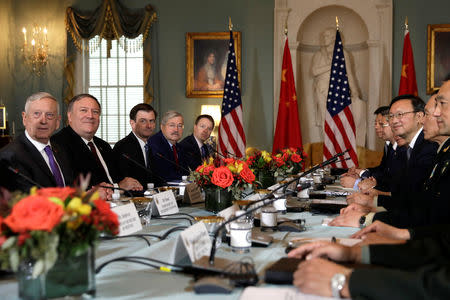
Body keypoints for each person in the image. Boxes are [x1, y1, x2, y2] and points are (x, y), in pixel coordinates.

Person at [51, 94, 142, 199]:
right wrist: (117, 187)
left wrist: (129, 185)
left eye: (95, 112)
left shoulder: (103, 145)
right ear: (70, 116)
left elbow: (117, 178)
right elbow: (72, 188)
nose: (90, 116)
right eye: (84, 110)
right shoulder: (58, 145)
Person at [0, 92, 73, 192]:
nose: (43, 120)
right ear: (24, 118)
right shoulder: (10, 157)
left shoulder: (60, 149)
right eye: (36, 114)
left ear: (57, 122)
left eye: (50, 115)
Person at [311, 27, 366, 146]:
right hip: (322, 89)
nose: (324, 38)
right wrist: (332, 65)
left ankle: (339, 146)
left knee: (340, 118)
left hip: (339, 90)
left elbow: (349, 73)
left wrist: (355, 90)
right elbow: (314, 71)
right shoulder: (319, 54)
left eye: (326, 36)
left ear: (333, 38)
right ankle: (328, 146)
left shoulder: (343, 54)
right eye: (323, 36)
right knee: (324, 117)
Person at [113, 103, 157, 187]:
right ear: (132, 123)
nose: (149, 125)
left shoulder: (151, 146)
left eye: (151, 121)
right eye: (143, 121)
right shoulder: (122, 147)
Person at [148, 110, 189, 183]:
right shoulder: (155, 144)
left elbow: (185, 172)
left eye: (179, 126)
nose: (176, 129)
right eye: (172, 125)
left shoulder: (179, 147)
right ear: (162, 127)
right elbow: (165, 175)